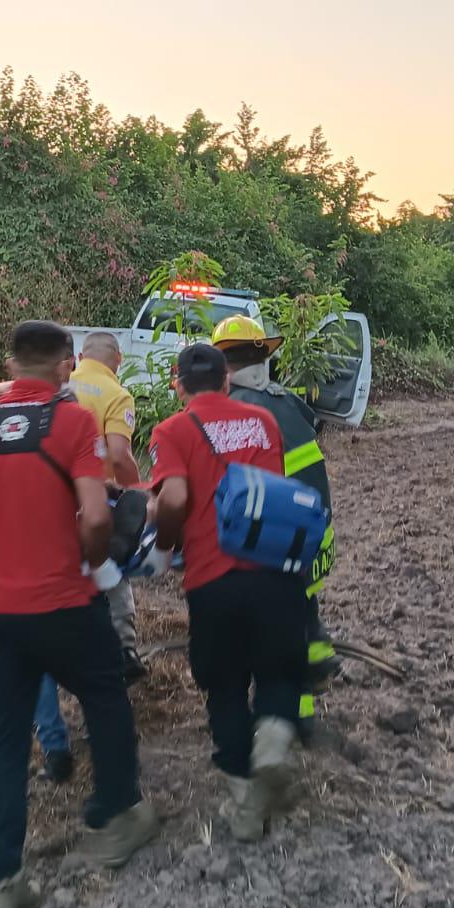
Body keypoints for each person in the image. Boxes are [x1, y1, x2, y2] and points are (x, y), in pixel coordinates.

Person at [0, 320, 158, 908]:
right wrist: (97, 561)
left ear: (12, 363)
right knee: (104, 691)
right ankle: (116, 815)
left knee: (0, 740)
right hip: (60, 602)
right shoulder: (71, 422)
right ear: (65, 365)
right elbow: (96, 513)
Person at [143, 343, 304, 842]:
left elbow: (173, 498)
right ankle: (275, 734)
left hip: (214, 577)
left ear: (178, 386)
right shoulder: (264, 423)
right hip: (275, 569)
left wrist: (164, 546)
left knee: (225, 685)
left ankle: (244, 800)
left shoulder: (172, 431)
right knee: (278, 668)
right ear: (227, 380)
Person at [211, 315, 337, 739]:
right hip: (316, 531)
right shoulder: (285, 400)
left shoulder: (233, 413)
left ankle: (276, 709)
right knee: (301, 615)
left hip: (272, 539)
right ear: (262, 356)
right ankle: (304, 702)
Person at [32, 332, 146, 783]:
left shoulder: (53, 393)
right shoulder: (116, 394)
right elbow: (118, 455)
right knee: (111, 585)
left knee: (39, 641)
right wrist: (137, 491)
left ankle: (54, 747)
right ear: (117, 361)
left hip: (44, 522)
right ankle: (125, 653)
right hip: (93, 507)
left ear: (78, 359)